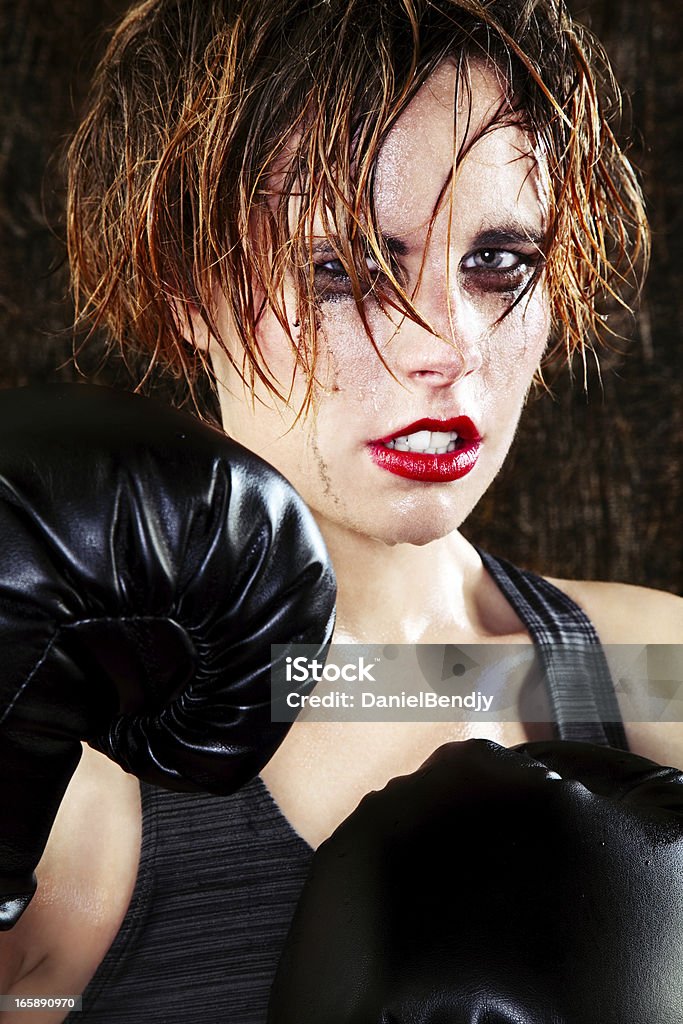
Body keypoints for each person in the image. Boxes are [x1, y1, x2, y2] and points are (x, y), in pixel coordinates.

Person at [1, 0, 682, 1020]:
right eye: (343, 268)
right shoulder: (81, 790)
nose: (443, 345)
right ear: (185, 285)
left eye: (496, 260)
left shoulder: (657, 675)